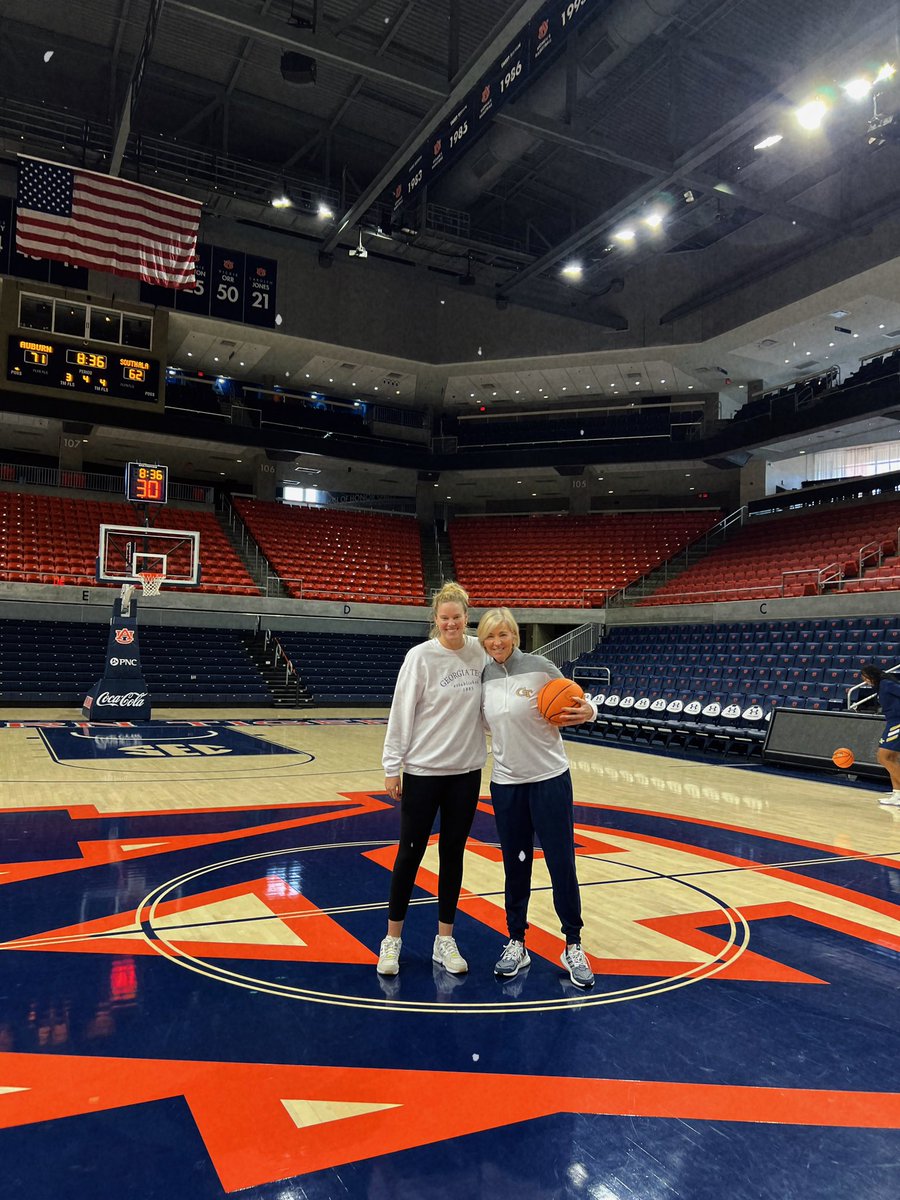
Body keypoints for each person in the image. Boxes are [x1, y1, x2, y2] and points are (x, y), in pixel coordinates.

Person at [477, 607, 598, 989]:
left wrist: (590, 710)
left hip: (549, 779)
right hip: (506, 784)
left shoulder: (541, 667)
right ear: (483, 641)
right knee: (516, 867)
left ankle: (573, 944)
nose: (497, 642)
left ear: (515, 635)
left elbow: (577, 702)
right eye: (490, 636)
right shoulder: (483, 677)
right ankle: (516, 940)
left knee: (561, 863)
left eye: (503, 634)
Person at [377, 581, 486, 977]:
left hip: (466, 773)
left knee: (453, 855)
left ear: (466, 617)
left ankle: (445, 940)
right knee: (409, 854)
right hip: (423, 772)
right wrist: (392, 765)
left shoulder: (480, 652)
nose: (451, 623)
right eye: (444, 618)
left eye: (457, 617)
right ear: (436, 620)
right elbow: (401, 711)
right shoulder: (420, 657)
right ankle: (392, 940)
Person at [860, 663, 900, 805]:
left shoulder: (886, 684)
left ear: (872, 675)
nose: (865, 681)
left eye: (866, 678)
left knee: (883, 757)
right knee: (892, 759)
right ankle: (897, 794)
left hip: (898, 722)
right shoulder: (880, 687)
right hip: (892, 721)